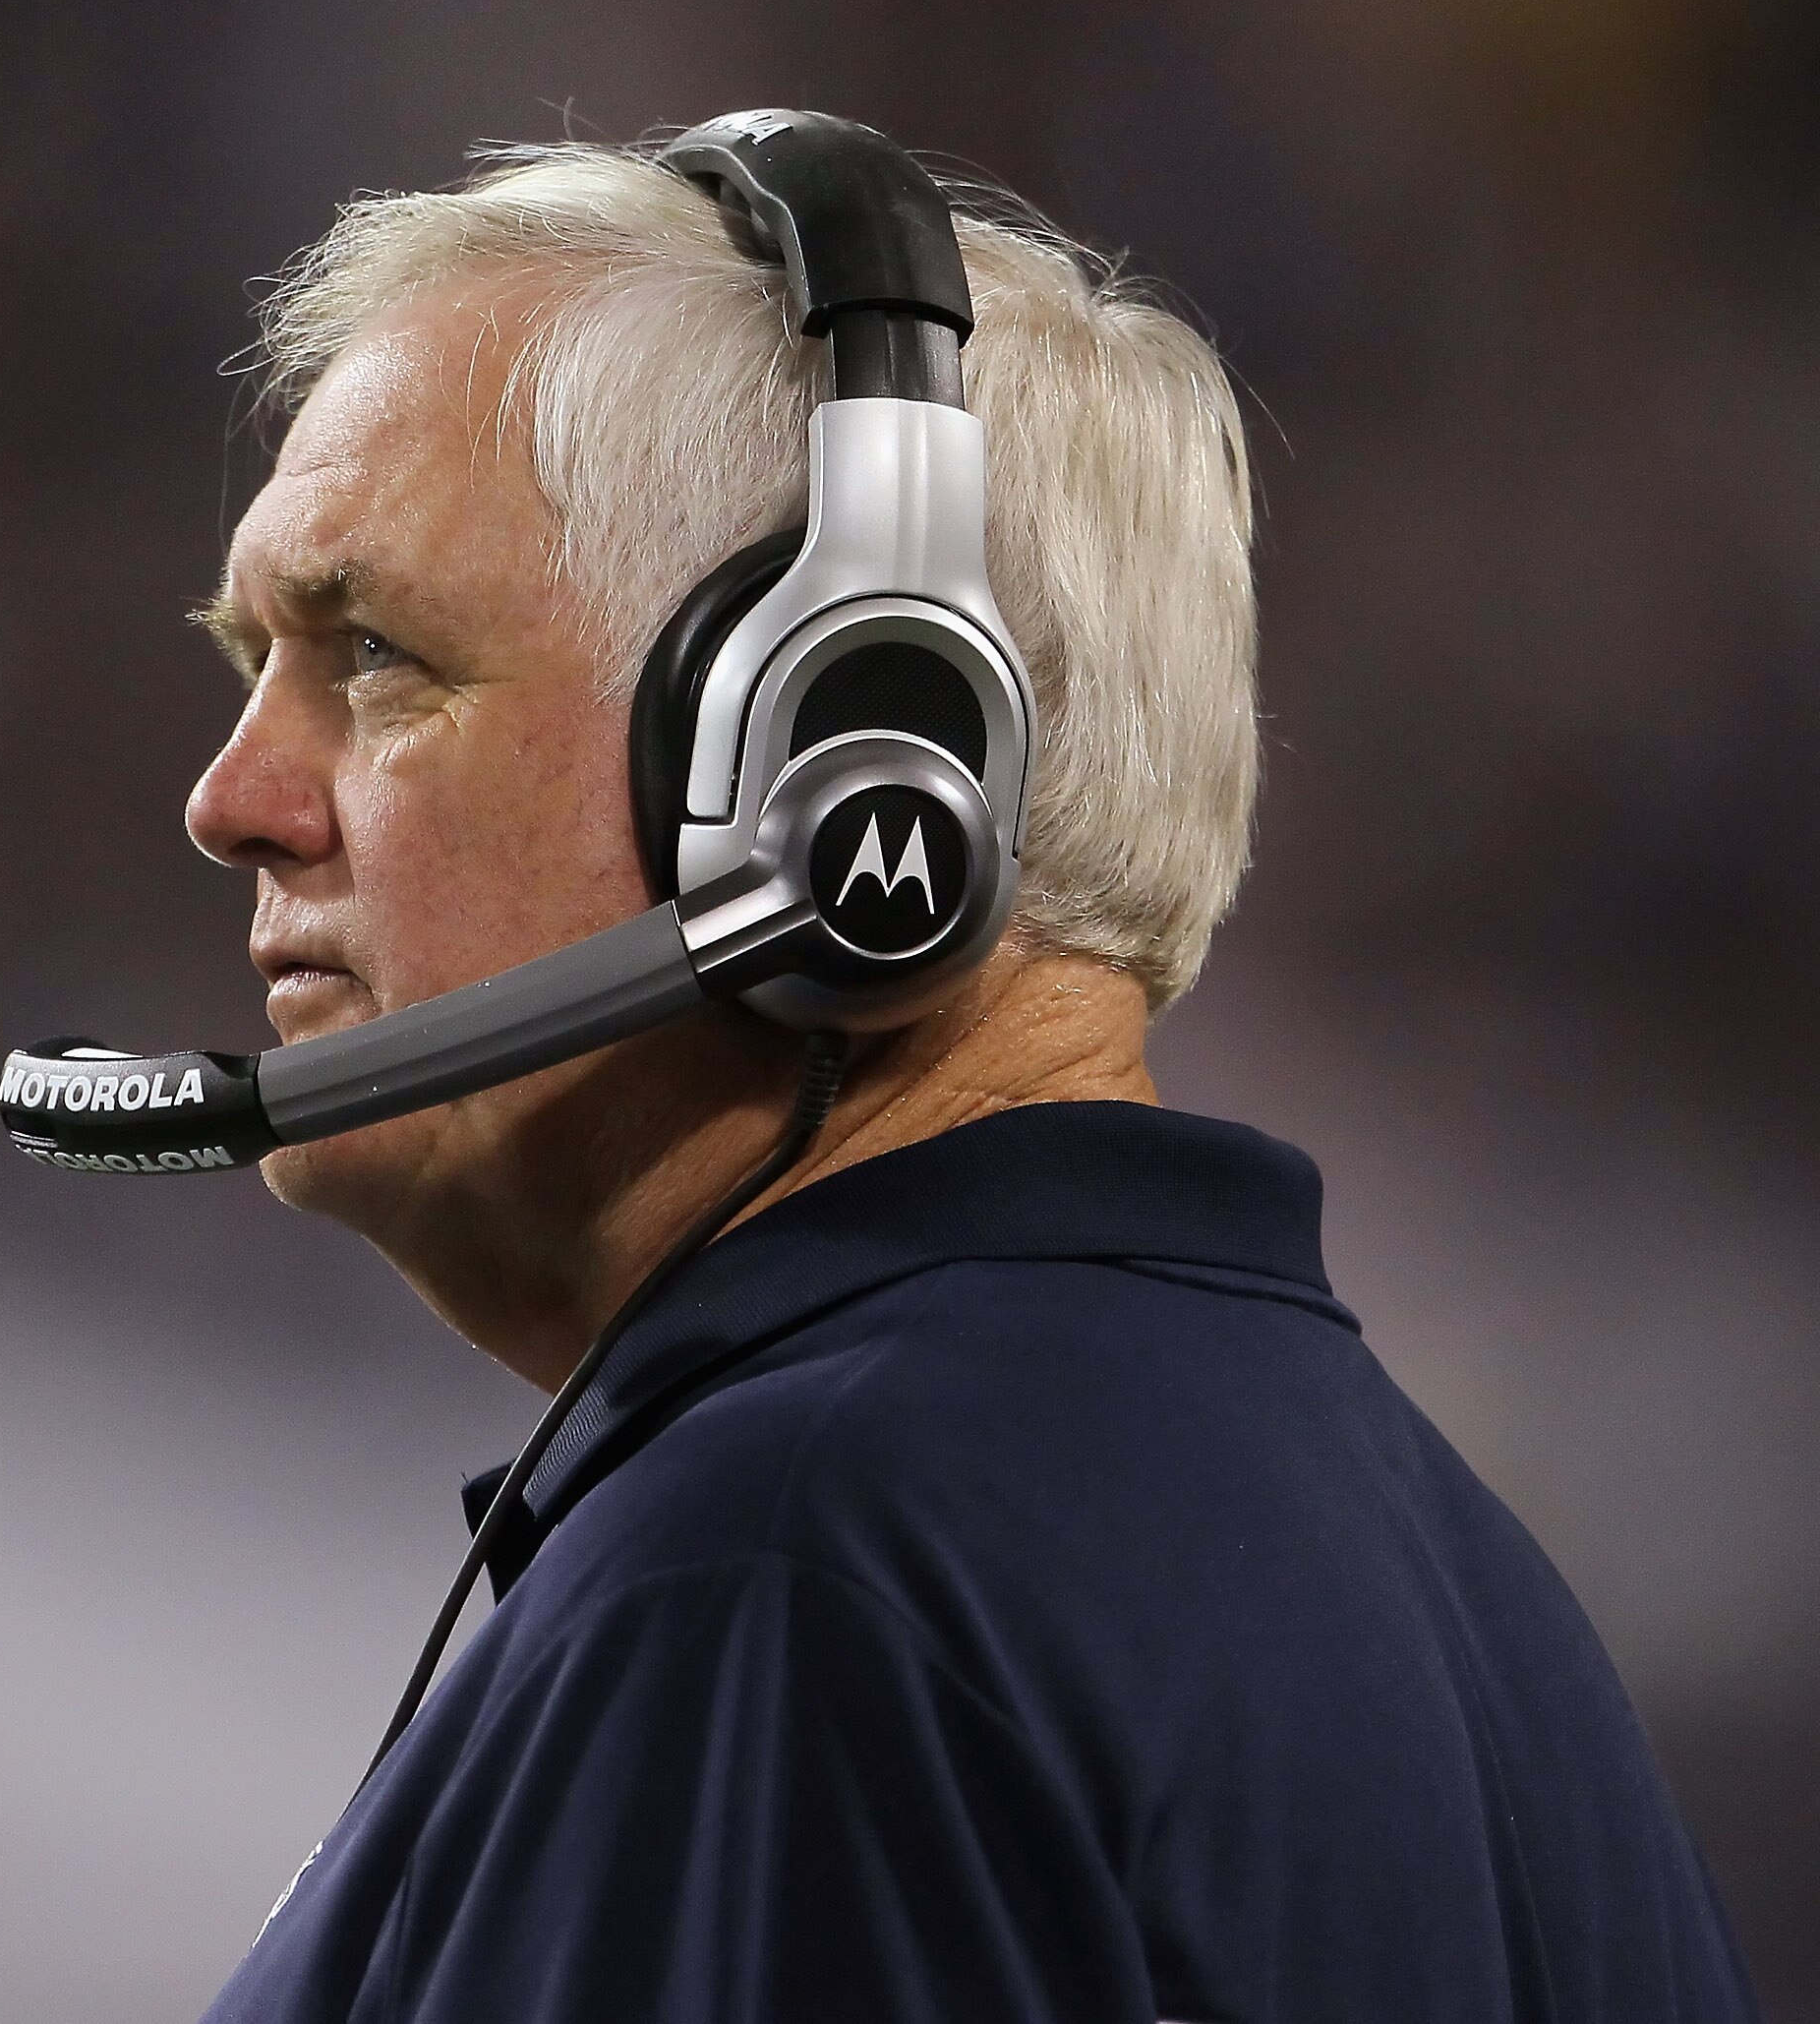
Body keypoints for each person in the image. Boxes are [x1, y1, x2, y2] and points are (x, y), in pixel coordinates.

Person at [178, 130, 1756, 2022]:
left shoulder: (794, 1572)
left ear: (842, 752)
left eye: (377, 654)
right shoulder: (1480, 1614)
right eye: (255, 663)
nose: (232, 799)